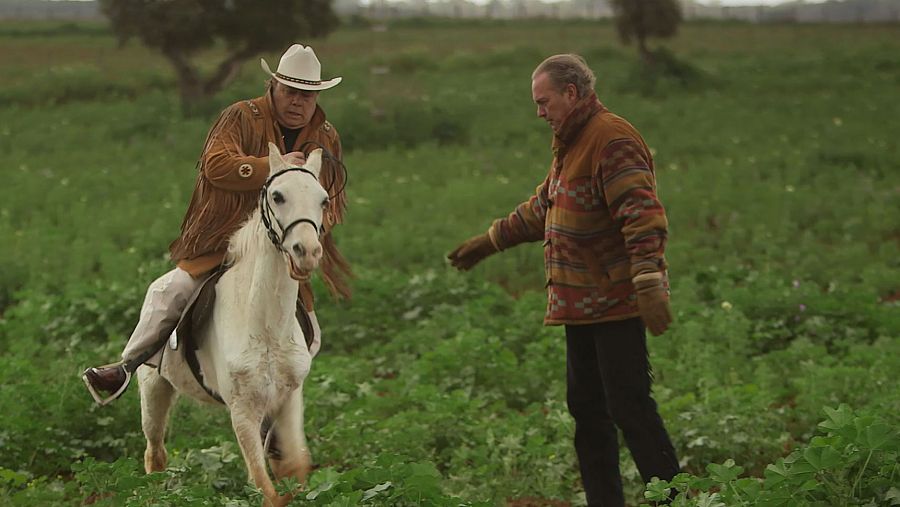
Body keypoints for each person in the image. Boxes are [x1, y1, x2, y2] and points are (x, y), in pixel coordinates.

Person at [447, 54, 679, 506]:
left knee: (630, 408)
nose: (539, 112)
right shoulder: (572, 142)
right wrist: (489, 241)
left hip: (614, 301)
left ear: (571, 94)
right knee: (588, 412)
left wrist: (648, 280)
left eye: (543, 101)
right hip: (581, 306)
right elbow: (543, 208)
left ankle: (676, 499)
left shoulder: (610, 139)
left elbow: (642, 214)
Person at [82, 44, 352, 405]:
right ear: (273, 86)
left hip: (281, 249)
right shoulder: (240, 116)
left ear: (317, 95)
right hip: (223, 237)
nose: (298, 102)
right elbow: (216, 164)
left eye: (307, 95)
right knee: (169, 292)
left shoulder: (326, 136)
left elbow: (330, 196)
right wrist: (273, 166)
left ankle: (274, 403)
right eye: (291, 92)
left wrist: (310, 230)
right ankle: (125, 367)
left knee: (311, 335)